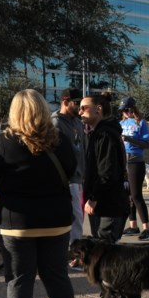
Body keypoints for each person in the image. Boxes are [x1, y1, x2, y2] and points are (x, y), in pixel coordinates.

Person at [0, 90, 78, 298]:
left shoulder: (6, 141)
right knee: (57, 275)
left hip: (18, 221)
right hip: (56, 220)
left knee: (19, 280)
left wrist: (9, 186)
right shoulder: (60, 139)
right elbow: (71, 170)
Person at [79, 93, 131, 298]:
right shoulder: (98, 133)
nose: (80, 112)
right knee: (99, 256)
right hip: (100, 204)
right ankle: (106, 297)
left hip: (109, 204)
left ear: (98, 109)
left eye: (84, 108)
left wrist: (95, 198)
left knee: (109, 258)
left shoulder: (107, 134)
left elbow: (107, 172)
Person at [51, 88, 86, 244]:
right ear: (65, 102)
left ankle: (72, 252)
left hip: (79, 178)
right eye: (77, 103)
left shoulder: (77, 122)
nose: (81, 107)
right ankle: (74, 256)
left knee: (78, 218)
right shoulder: (55, 122)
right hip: (67, 179)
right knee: (75, 219)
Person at [119, 97, 149, 240]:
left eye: (127, 109)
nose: (125, 112)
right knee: (128, 196)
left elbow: (146, 144)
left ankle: (147, 229)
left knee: (136, 195)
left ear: (133, 108)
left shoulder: (141, 123)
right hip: (123, 161)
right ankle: (133, 226)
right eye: (123, 110)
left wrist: (129, 139)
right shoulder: (121, 122)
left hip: (135, 161)